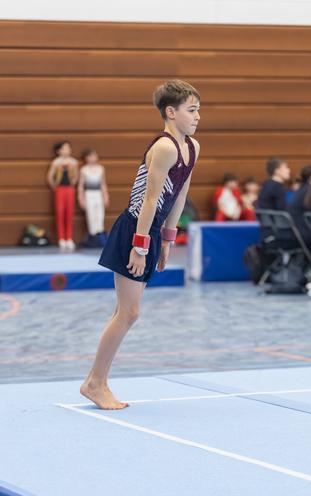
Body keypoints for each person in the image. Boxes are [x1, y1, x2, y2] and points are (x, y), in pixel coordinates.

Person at [80, 79, 200, 409]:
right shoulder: (164, 147)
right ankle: (95, 382)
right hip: (135, 229)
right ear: (171, 112)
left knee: (126, 312)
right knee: (129, 312)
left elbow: (180, 195)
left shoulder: (192, 147)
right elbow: (149, 200)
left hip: (150, 231)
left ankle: (95, 381)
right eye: (192, 110)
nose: (198, 116)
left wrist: (168, 239)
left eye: (199, 110)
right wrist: (141, 245)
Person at [46, 140, 79, 250]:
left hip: (69, 189)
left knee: (69, 214)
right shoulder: (56, 162)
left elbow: (76, 176)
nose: (67, 150)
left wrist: (73, 183)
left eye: (68, 148)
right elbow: (50, 176)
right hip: (59, 189)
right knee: (60, 213)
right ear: (59, 151)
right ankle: (61, 239)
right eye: (64, 148)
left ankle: (69, 238)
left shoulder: (73, 162)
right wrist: (54, 186)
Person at [78, 149, 109, 247]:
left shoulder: (101, 168)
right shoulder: (84, 170)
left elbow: (103, 184)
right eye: (90, 156)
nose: (92, 158)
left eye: (94, 156)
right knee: (91, 215)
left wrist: (106, 196)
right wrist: (81, 198)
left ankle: (100, 235)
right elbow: (81, 185)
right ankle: (93, 236)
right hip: (89, 194)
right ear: (86, 158)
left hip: (98, 193)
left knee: (100, 215)